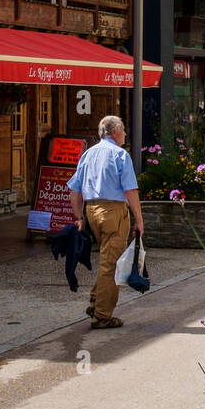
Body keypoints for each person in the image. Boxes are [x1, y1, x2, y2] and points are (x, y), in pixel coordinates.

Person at [67, 114, 144, 329]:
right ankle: (102, 315)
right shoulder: (120, 154)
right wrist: (139, 219)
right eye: (124, 130)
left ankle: (96, 301)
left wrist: (79, 218)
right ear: (115, 132)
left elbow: (74, 191)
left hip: (93, 211)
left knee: (107, 259)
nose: (126, 134)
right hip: (113, 211)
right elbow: (130, 190)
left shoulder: (88, 154)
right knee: (113, 265)